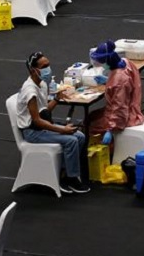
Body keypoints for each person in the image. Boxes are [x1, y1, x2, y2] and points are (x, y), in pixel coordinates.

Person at [17, 51, 90, 194]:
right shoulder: (30, 91)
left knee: (80, 136)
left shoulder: (42, 84)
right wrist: (62, 130)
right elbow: (37, 120)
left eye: (48, 65)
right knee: (71, 140)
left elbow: (44, 111)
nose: (48, 69)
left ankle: (63, 171)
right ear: (33, 70)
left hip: (42, 126)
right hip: (33, 132)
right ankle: (70, 179)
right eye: (44, 66)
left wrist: (56, 99)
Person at [88, 41, 144, 142]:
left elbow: (119, 107)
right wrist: (108, 80)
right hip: (130, 106)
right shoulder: (125, 62)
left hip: (125, 116)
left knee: (91, 124)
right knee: (93, 115)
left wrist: (110, 129)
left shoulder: (119, 81)